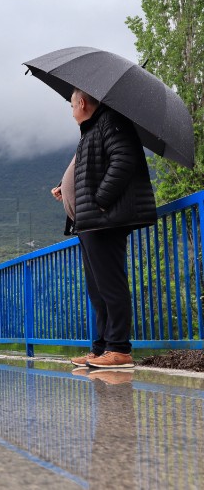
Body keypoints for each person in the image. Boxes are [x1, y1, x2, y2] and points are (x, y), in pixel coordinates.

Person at [54, 88, 157, 369]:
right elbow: (91, 171)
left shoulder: (111, 122)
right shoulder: (93, 128)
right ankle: (101, 348)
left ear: (83, 103)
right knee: (97, 290)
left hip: (104, 220)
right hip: (88, 223)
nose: (71, 111)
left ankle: (119, 349)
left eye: (72, 105)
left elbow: (124, 161)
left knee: (111, 287)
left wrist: (100, 202)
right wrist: (65, 188)